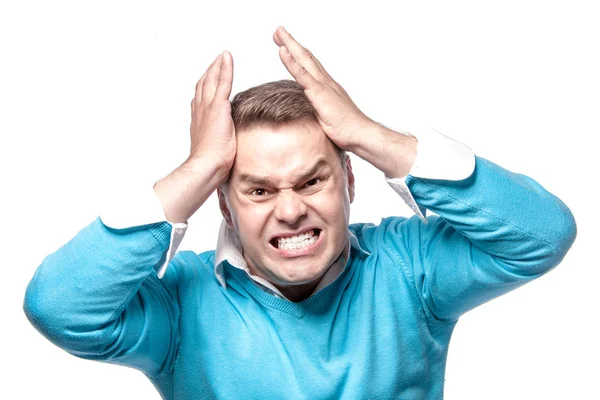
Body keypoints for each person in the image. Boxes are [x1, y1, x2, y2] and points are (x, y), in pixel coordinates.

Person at [23, 26, 577, 399]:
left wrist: (368, 134)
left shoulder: (410, 268)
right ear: (224, 202)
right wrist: (197, 168)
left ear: (349, 179)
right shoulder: (182, 301)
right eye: (258, 191)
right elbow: (58, 308)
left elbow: (542, 234)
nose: (291, 211)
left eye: (312, 180)